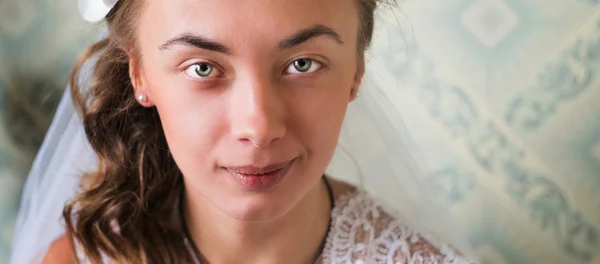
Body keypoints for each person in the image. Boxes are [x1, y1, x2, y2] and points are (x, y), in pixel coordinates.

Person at [16, 0, 476, 263]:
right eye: (202, 67)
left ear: (356, 69)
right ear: (140, 76)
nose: (259, 128)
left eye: (302, 63)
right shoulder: (85, 258)